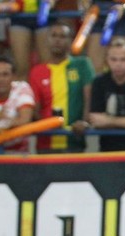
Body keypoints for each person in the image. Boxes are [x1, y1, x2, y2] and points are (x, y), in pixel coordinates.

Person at [28, 24, 95, 153]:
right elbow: (34, 109)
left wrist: (84, 122)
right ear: (47, 40)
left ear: (70, 40)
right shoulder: (37, 72)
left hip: (74, 140)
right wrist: (45, 125)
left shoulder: (83, 65)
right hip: (45, 142)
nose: (58, 40)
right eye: (54, 36)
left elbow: (89, 99)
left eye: (63, 36)